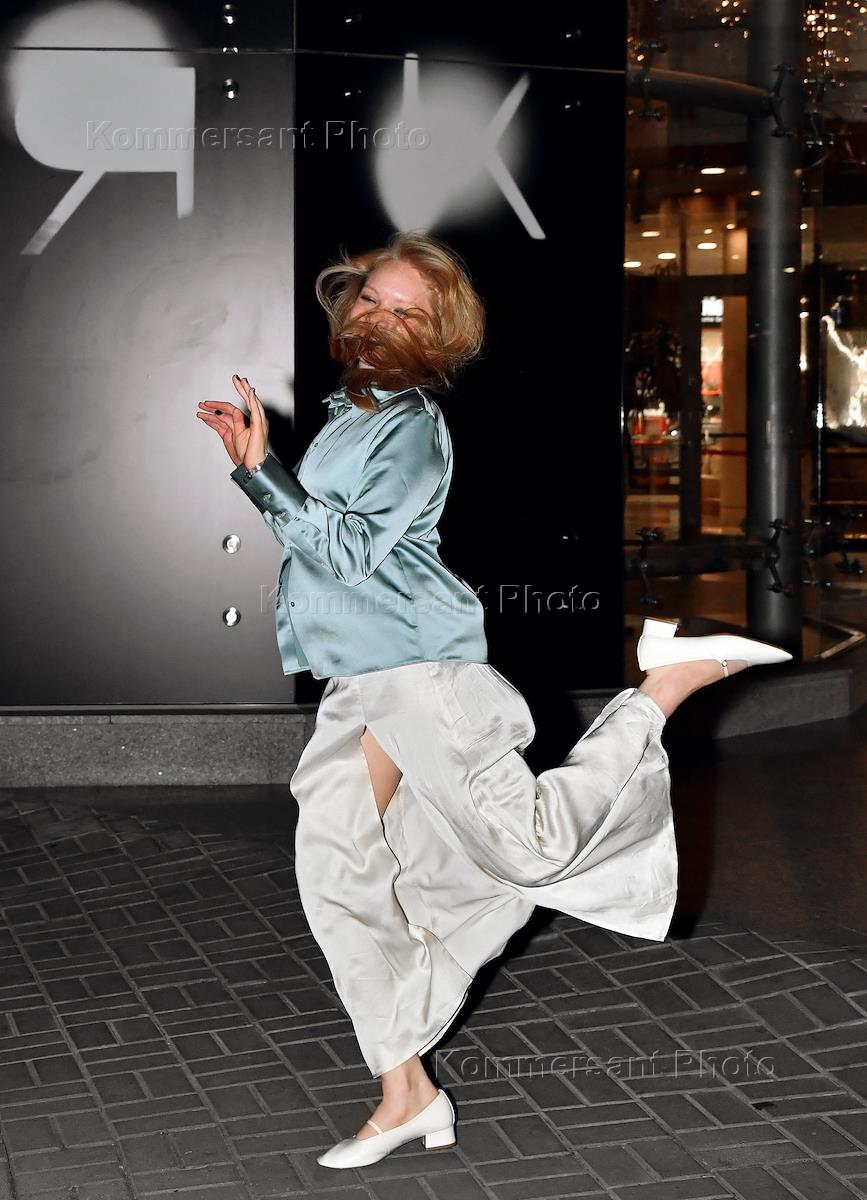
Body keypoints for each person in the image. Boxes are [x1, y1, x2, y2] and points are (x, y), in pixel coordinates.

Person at [196, 230, 792, 1170]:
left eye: (406, 312)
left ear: (437, 336)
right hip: (361, 677)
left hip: (418, 669)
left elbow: (347, 551)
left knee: (529, 848)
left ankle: (663, 686)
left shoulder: (410, 424)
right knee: (338, 876)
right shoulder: (351, 414)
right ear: (346, 307)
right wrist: (260, 465)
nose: (379, 318)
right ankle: (408, 1094)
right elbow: (326, 543)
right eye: (370, 299)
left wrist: (261, 471)